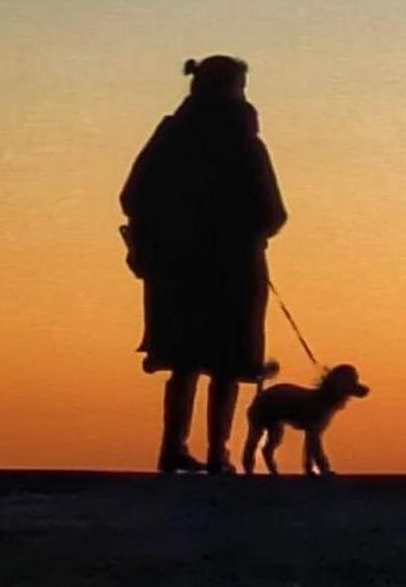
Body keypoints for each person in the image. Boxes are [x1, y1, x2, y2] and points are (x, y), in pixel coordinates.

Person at [120, 55, 288, 474]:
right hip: (231, 266)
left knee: (185, 361)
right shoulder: (245, 143)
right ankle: (217, 453)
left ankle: (174, 449)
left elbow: (132, 197)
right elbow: (273, 212)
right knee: (227, 362)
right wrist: (246, 229)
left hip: (176, 268)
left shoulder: (171, 137)